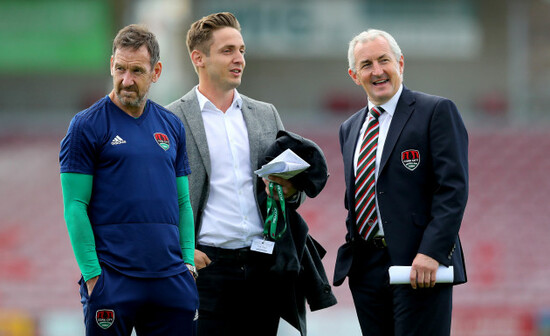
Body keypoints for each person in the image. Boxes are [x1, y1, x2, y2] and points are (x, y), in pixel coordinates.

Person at [166, 12, 336, 336]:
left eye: (242, 50)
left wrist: (288, 191)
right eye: (228, 50)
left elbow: (290, 189)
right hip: (206, 268)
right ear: (198, 58)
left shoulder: (265, 114)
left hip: (262, 265)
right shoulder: (171, 118)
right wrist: (182, 251)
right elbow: (156, 197)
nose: (239, 59)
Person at [59, 24, 198, 336]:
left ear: (156, 71)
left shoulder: (171, 126)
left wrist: (187, 264)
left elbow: (183, 203)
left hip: (170, 280)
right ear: (111, 65)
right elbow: (74, 207)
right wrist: (94, 277)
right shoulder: (85, 126)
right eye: (120, 69)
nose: (126, 80)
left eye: (136, 71)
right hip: (113, 281)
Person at [333, 29, 468, 335]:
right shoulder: (349, 128)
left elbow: (453, 190)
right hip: (367, 270)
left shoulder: (435, 111)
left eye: (384, 60)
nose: (377, 71)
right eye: (366, 64)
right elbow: (356, 198)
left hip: (419, 265)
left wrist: (432, 252)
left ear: (401, 63)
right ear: (354, 75)